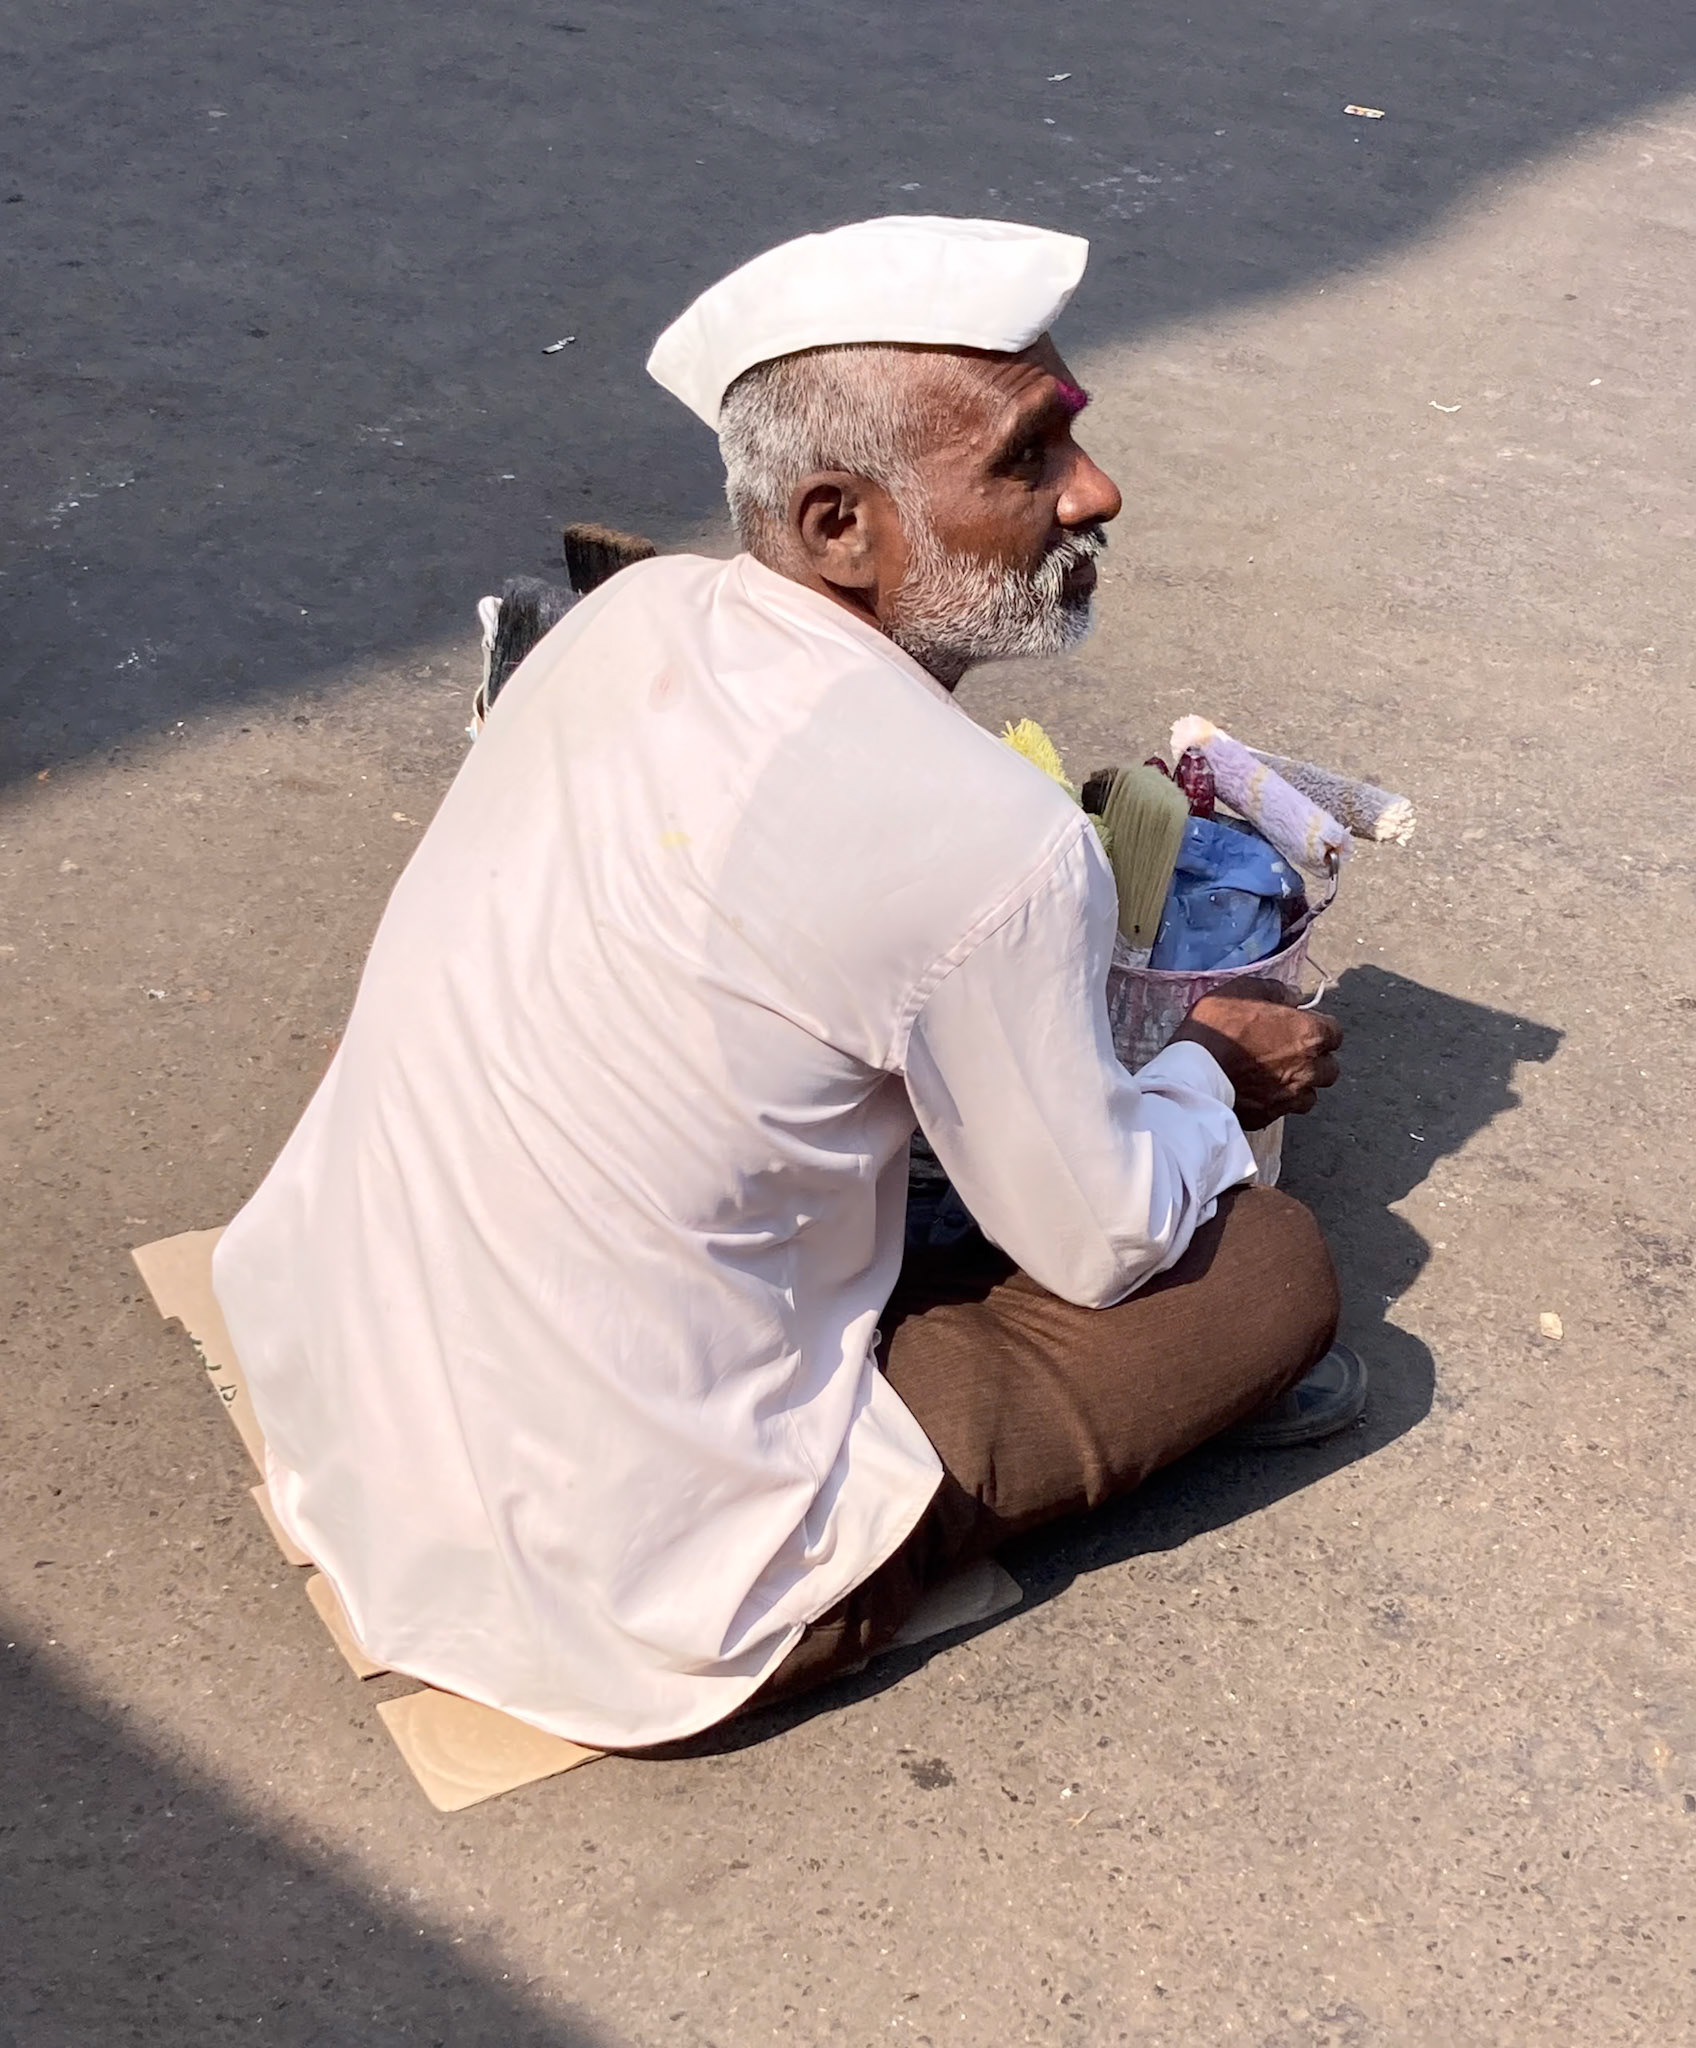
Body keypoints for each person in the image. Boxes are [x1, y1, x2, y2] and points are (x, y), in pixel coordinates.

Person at [212, 217, 1354, 1752]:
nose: (1097, 492)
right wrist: (1213, 1070)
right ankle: (850, 1553)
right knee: (1264, 1268)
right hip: (620, 1591)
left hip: (342, 1398)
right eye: (1032, 459)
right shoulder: (996, 844)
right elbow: (1100, 1247)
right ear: (839, 522)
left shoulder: (632, 616)